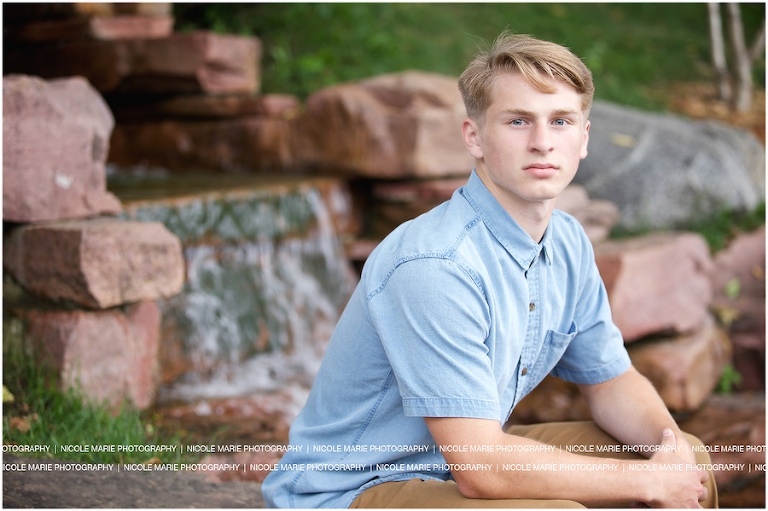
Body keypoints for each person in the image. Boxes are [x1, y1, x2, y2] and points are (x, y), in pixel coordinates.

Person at [261, 32, 718, 508]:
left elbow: (611, 382)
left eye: (560, 121)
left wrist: (671, 457)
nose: (542, 143)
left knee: (693, 458)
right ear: (474, 137)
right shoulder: (436, 264)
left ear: (583, 138)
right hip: (352, 489)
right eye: (518, 121)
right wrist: (647, 484)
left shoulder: (567, 242)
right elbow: (482, 468)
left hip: (451, 465)